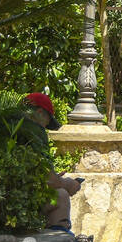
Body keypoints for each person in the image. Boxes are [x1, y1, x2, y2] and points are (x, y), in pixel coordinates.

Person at [18, 92, 83, 230]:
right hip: (17, 202)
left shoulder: (10, 123)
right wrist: (67, 184)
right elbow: (51, 181)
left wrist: (51, 179)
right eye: (47, 122)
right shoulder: (34, 131)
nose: (45, 127)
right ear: (40, 112)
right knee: (60, 195)